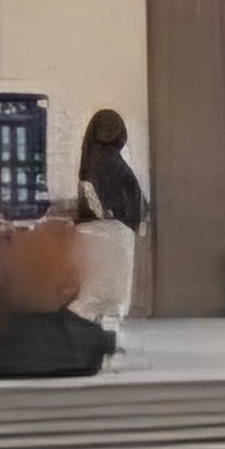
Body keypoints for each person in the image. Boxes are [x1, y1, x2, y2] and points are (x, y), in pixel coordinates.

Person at [72, 108, 144, 347]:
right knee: (112, 294)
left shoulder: (90, 161)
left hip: (94, 232)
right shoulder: (115, 163)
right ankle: (108, 338)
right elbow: (129, 201)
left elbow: (89, 194)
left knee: (93, 293)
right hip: (116, 233)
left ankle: (91, 337)